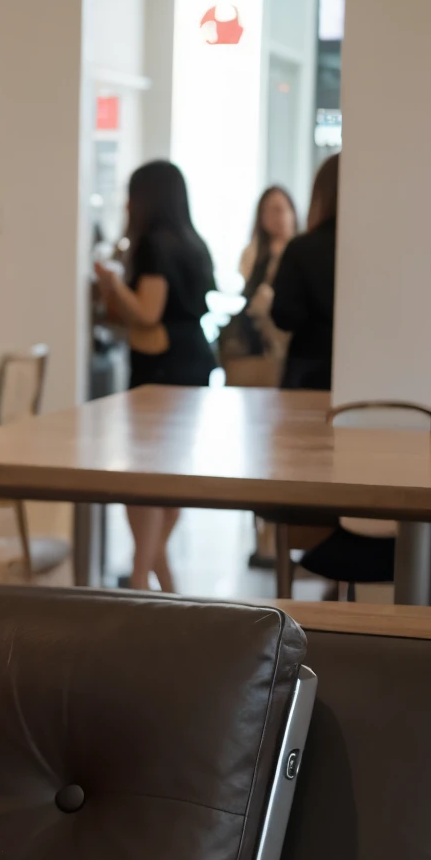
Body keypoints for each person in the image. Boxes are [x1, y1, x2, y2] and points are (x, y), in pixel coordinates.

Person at [93, 159, 216, 592]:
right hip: (194, 359)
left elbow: (147, 313)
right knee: (167, 476)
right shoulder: (194, 243)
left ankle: (141, 579)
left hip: (160, 367)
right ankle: (161, 580)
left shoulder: (152, 246)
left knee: (142, 477)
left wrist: (110, 283)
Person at [271, 154, 339, 391]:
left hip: (308, 369)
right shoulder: (378, 248)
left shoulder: (301, 249)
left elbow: (283, 315)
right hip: (367, 364)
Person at [221, 185, 298, 383]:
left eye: (280, 209)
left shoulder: (301, 252)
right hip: (256, 344)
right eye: (269, 210)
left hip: (290, 344)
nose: (275, 217)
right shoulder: (253, 254)